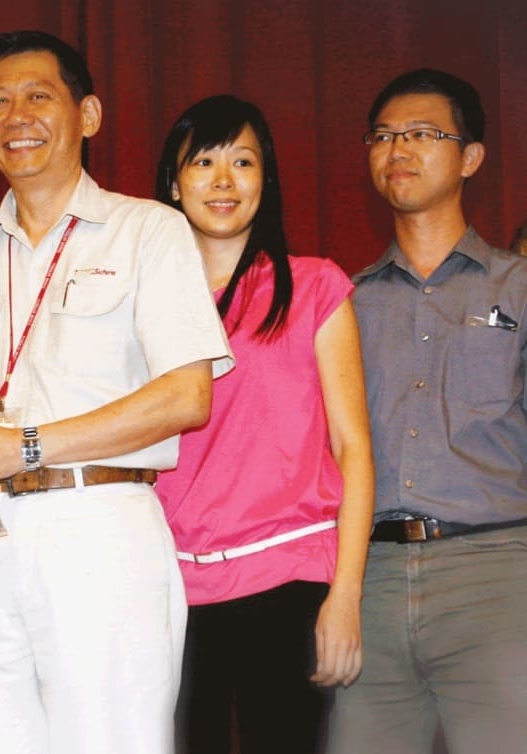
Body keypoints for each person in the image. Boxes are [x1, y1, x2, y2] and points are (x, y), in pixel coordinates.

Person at [0, 30, 234, 754]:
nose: (17, 116)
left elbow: (185, 396)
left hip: (101, 529)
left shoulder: (149, 232)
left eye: (38, 96)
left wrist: (28, 445)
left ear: (89, 115)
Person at [154, 95, 374, 753]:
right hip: (168, 585)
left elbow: (353, 447)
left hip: (286, 578)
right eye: (204, 162)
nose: (223, 181)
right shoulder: (141, 299)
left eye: (242, 161)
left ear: (266, 179)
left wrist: (344, 597)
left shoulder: (313, 287)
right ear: (173, 182)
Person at [327, 69, 527, 754]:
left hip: (496, 572)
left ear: (470, 157)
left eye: (421, 134)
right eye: (382, 136)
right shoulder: (340, 303)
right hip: (366, 581)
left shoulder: (518, 287)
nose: (397, 149)